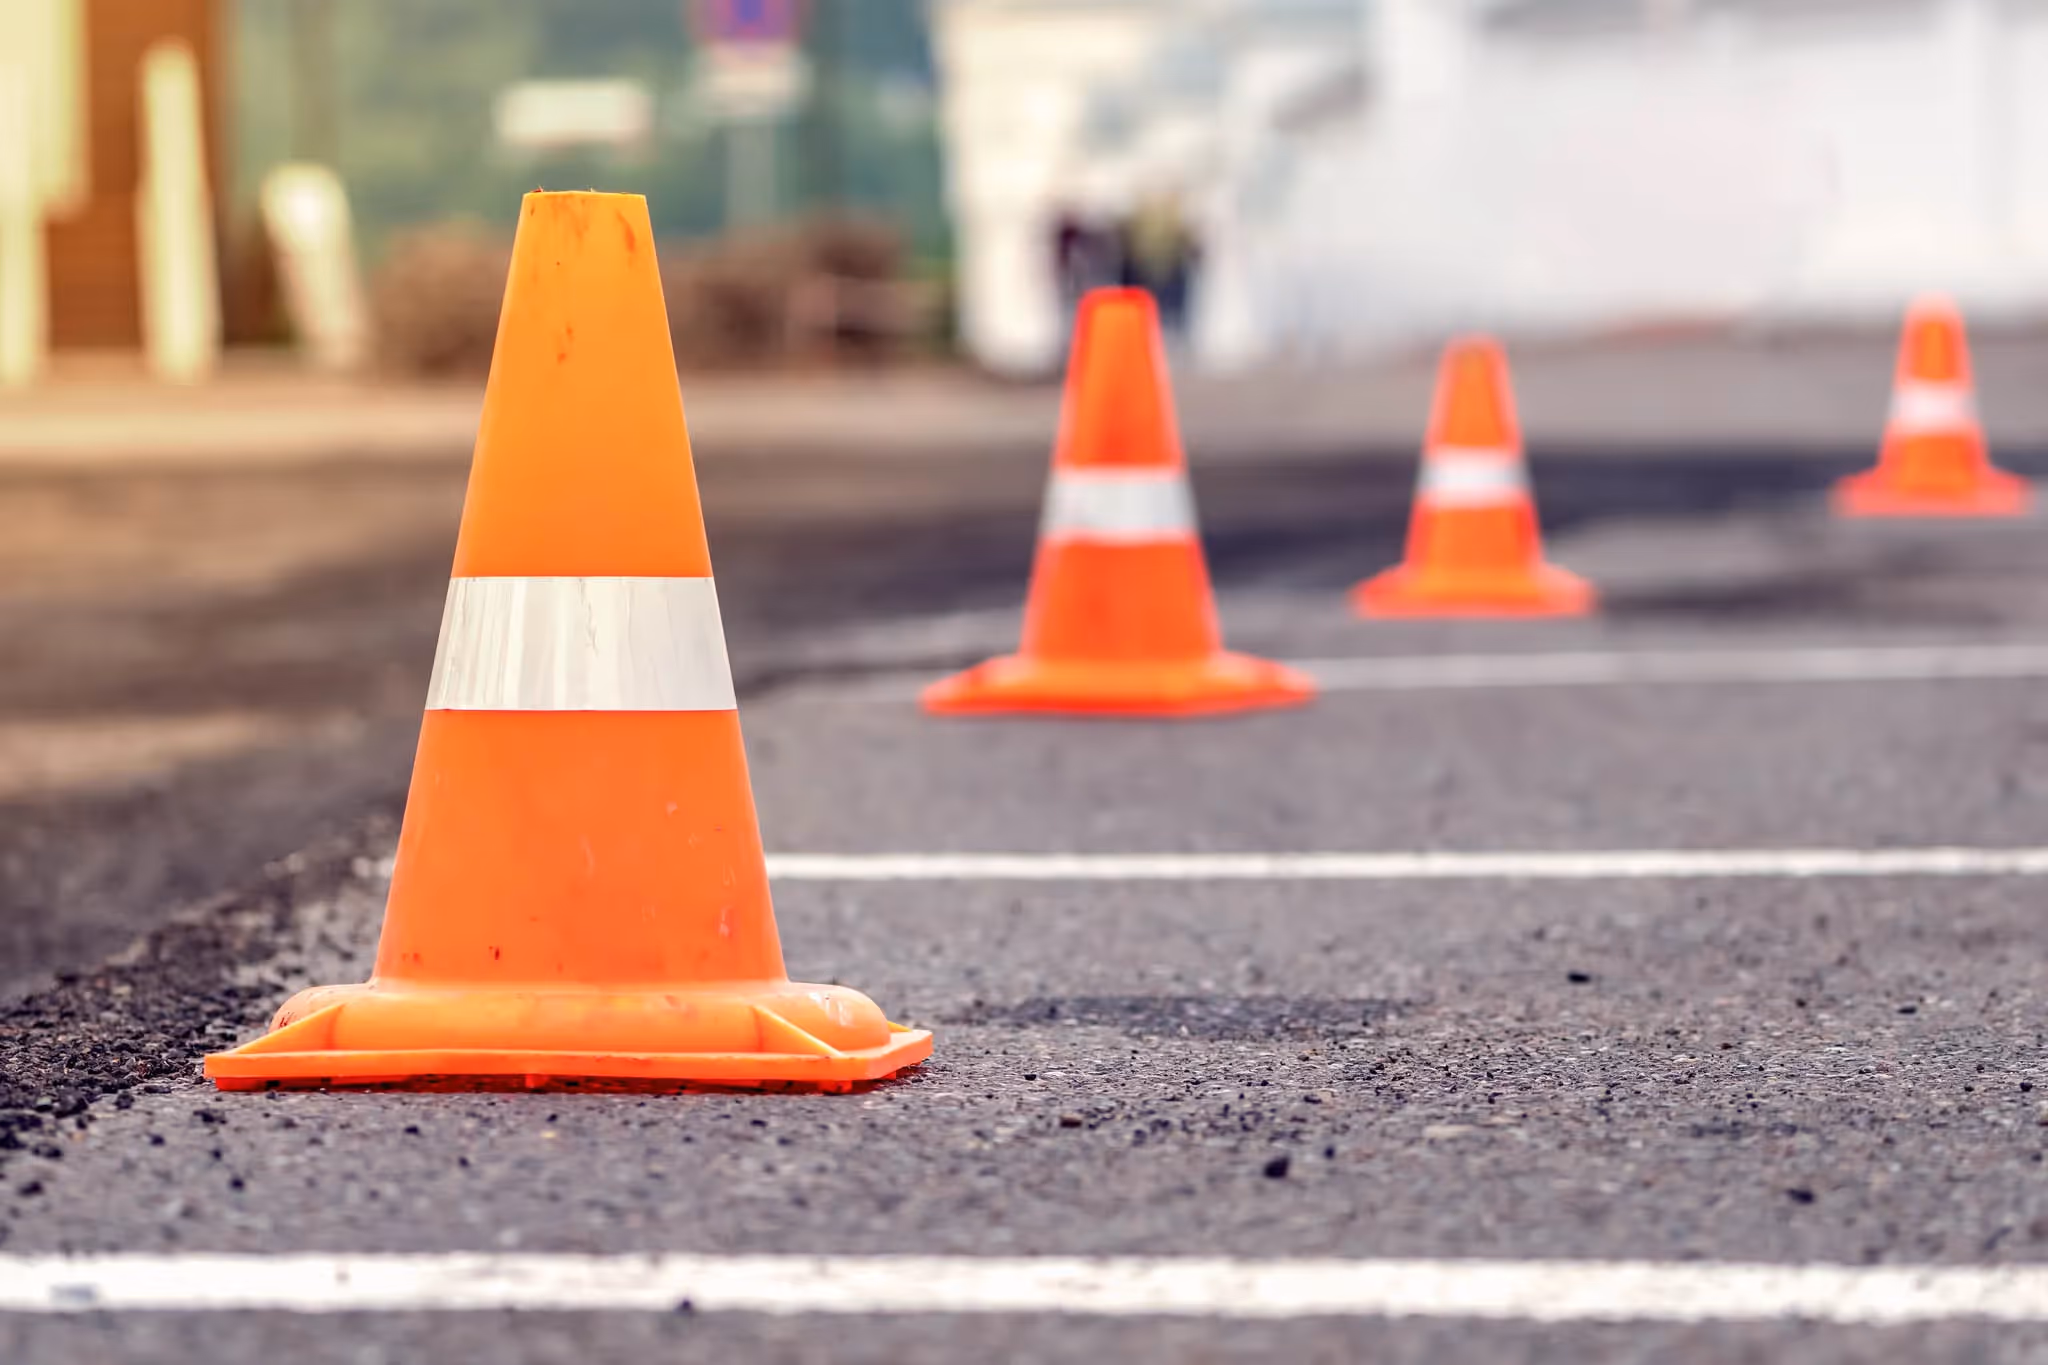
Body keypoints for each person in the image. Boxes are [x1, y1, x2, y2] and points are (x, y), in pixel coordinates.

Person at [1119, 188, 1202, 340]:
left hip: (1166, 283)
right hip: (1149, 283)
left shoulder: (1177, 226)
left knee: (1169, 325)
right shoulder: (1139, 226)